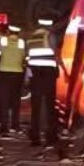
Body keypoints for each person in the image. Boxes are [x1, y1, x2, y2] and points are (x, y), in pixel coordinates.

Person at [26, 18, 60, 146]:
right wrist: (58, 65)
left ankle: (35, 137)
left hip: (35, 73)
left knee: (36, 106)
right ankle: (51, 136)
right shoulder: (50, 35)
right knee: (49, 105)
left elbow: (28, 56)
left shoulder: (32, 37)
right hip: (48, 73)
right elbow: (55, 53)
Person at [0, 25, 26, 135]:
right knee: (15, 100)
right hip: (18, 73)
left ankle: (4, 126)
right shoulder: (22, 42)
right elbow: (24, 57)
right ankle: (15, 124)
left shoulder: (3, 40)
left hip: (4, 72)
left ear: (9, 31)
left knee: (4, 100)